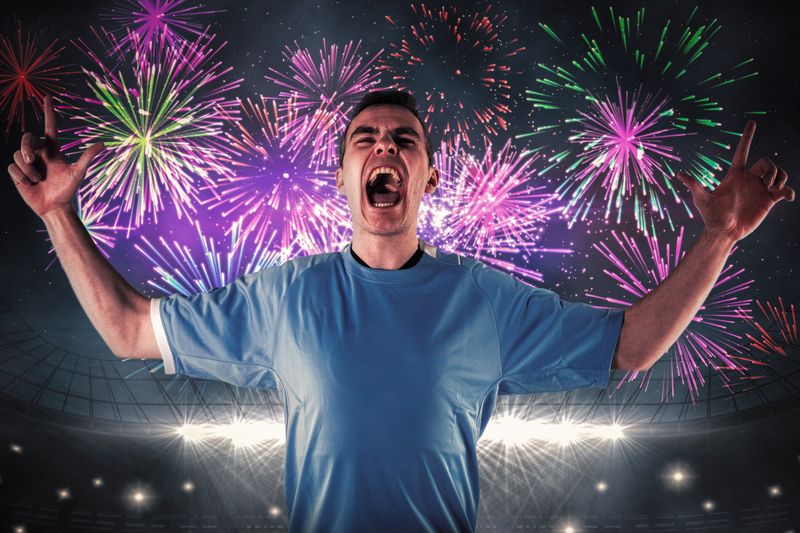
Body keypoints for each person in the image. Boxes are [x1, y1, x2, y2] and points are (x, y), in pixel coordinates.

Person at [7, 90, 794, 532]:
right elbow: (127, 328)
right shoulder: (286, 295)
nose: (384, 148)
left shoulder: (485, 299)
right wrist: (57, 217)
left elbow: (633, 345)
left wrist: (720, 236)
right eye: (365, 139)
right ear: (343, 175)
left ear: (428, 173)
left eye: (403, 140)